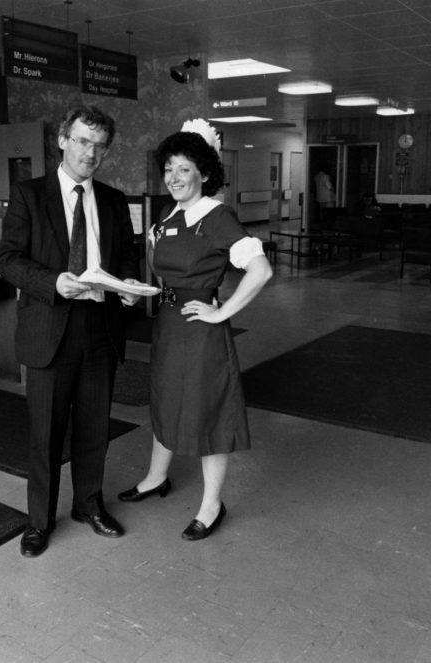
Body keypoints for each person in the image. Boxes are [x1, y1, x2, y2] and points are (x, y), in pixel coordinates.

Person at [0, 106, 143, 558]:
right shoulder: (29, 195)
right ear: (62, 140)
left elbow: (126, 258)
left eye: (99, 146)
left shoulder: (116, 201)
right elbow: (7, 259)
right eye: (81, 141)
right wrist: (52, 283)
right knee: (46, 433)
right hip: (50, 326)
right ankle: (39, 521)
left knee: (94, 428)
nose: (89, 153)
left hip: (100, 327)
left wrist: (129, 286)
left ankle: (88, 504)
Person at [117, 120, 273, 541]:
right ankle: (155, 478)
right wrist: (135, 292)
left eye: (183, 169)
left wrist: (222, 314)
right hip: (167, 325)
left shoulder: (218, 217)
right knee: (165, 400)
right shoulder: (169, 217)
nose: (173, 177)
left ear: (204, 173)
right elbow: (164, 274)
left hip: (201, 331)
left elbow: (261, 270)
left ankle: (212, 504)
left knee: (208, 410)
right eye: (168, 169)